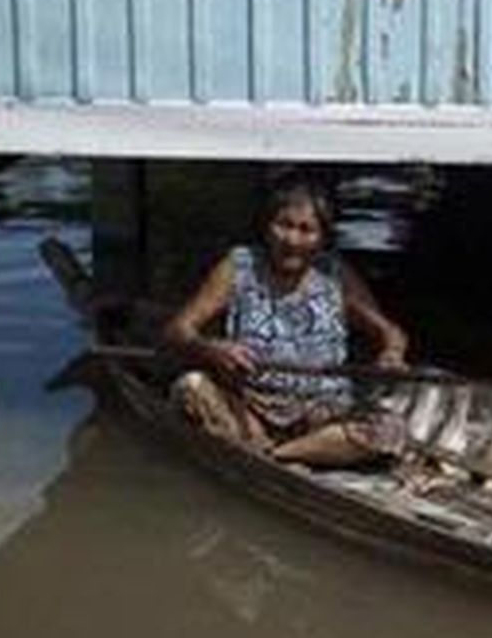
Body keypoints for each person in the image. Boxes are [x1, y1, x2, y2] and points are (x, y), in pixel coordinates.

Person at [163, 168, 410, 466]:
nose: (292, 240)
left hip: (324, 415)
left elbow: (390, 332)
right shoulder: (240, 266)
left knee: (388, 430)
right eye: (284, 225)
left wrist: (391, 355)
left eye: (306, 230)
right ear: (268, 227)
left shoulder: (335, 274)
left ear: (322, 238)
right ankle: (273, 446)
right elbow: (178, 330)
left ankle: (277, 455)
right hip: (250, 409)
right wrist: (210, 348)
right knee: (190, 387)